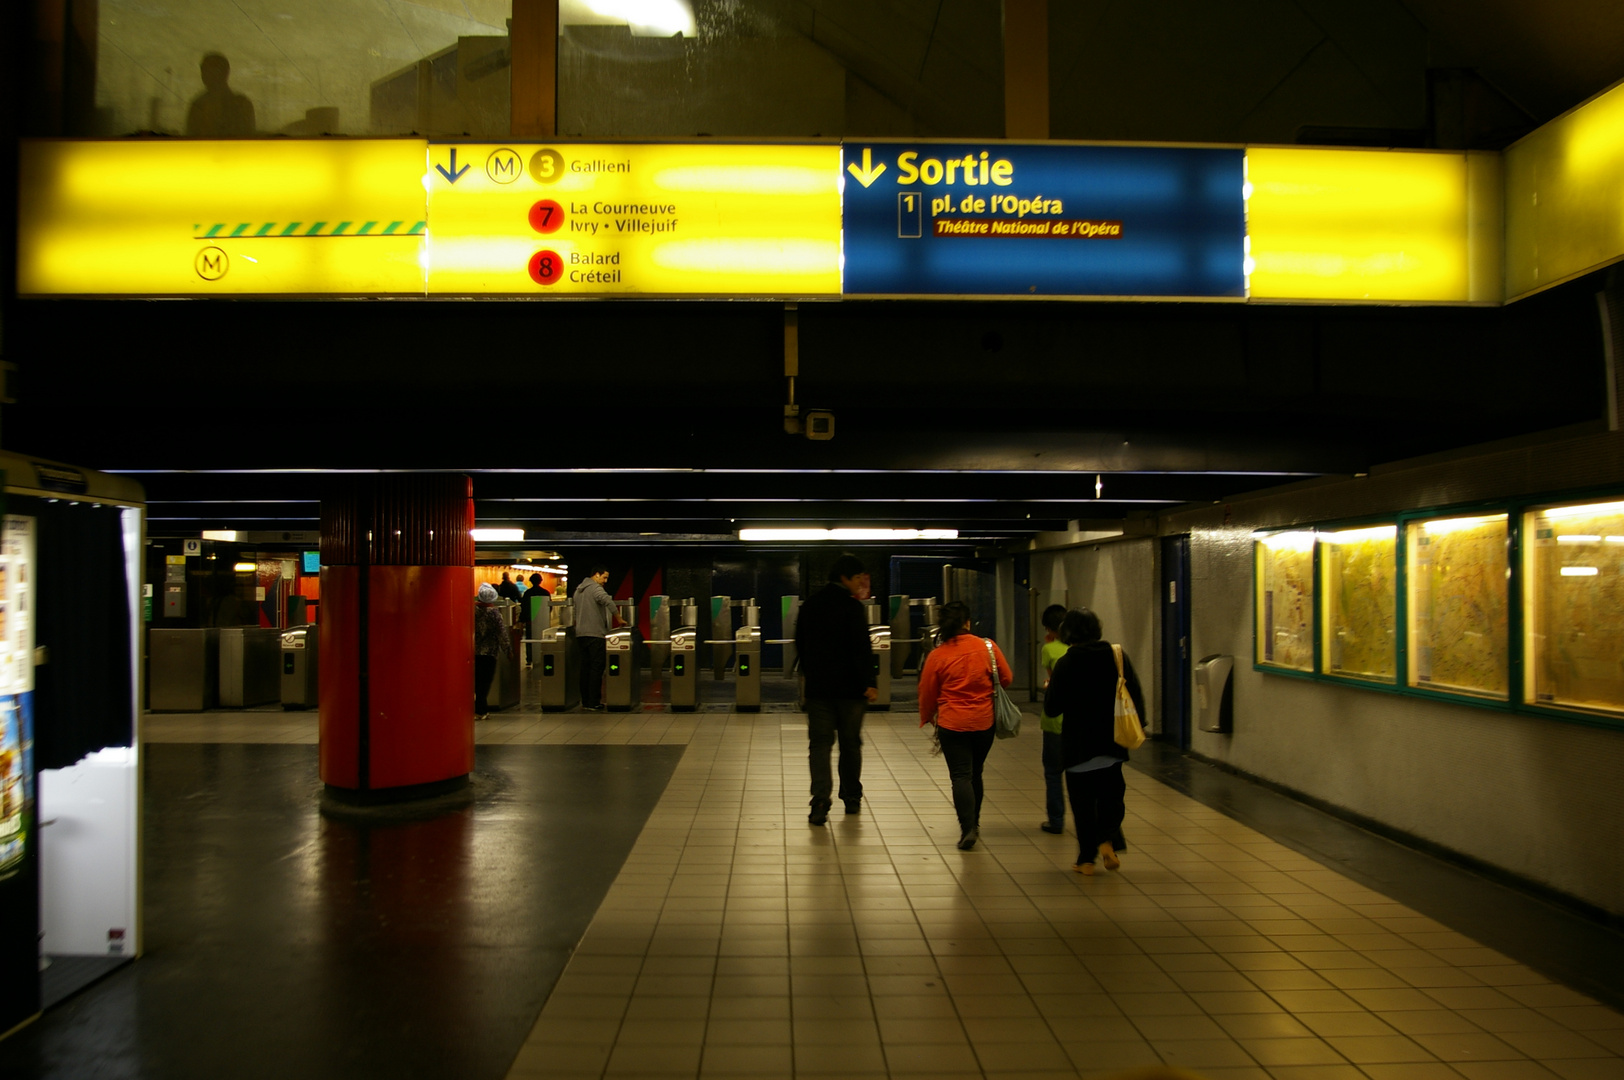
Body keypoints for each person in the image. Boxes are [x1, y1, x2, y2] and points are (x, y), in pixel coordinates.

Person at [1043, 608, 1146, 875]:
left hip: (1078, 747)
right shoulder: (1116, 656)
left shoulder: (1066, 663)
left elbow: (1052, 708)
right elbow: (1134, 692)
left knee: (1083, 804)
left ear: (1067, 633)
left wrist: (1051, 688)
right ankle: (1107, 838)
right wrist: (1140, 725)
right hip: (1111, 742)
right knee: (1112, 796)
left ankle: (1086, 860)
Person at [917, 601, 1012, 851]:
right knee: (976, 772)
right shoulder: (987, 647)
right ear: (967, 622)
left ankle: (967, 827)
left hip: (952, 723)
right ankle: (976, 823)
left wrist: (927, 716)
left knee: (961, 775)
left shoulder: (938, 655)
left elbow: (927, 692)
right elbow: (1006, 678)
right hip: (984, 721)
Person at [794, 553, 877, 825]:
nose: (859, 584)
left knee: (819, 745)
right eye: (856, 579)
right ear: (845, 578)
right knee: (850, 744)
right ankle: (851, 797)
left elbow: (800, 645)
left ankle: (820, 801)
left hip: (819, 690)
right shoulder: (853, 608)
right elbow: (861, 649)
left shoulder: (810, 605)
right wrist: (870, 683)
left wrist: (810, 675)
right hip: (851, 692)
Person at [1037, 604, 1069, 835]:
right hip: (1080, 721)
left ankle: (1056, 821)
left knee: (1053, 772)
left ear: (1049, 628)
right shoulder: (1081, 647)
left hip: (1054, 719)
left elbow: (1052, 682)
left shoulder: (1050, 650)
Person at [572, 565, 618, 711]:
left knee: (585, 668)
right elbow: (608, 601)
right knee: (596, 669)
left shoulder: (579, 590)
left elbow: (575, 611)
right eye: (604, 577)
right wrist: (619, 617)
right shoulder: (596, 588)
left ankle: (585, 701)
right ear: (596, 575)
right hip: (595, 634)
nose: (605, 581)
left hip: (581, 634)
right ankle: (594, 701)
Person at [186, 53, 256, 137]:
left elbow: (247, 137)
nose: (206, 75)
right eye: (204, 70)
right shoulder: (198, 105)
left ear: (225, 73)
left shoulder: (242, 104)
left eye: (212, 70)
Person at [473, 583, 511, 720]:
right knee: (485, 682)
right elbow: (502, 633)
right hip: (489, 653)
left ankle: (480, 709)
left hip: (473, 652)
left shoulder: (472, 611)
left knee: (476, 682)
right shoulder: (494, 613)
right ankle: (480, 710)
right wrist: (507, 650)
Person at [520, 572, 550, 665]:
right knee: (542, 638)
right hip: (542, 620)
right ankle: (541, 655)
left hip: (530, 621)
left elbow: (524, 607)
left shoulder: (527, 593)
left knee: (529, 639)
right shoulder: (545, 593)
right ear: (540, 581)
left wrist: (522, 620)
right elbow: (549, 607)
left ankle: (529, 658)